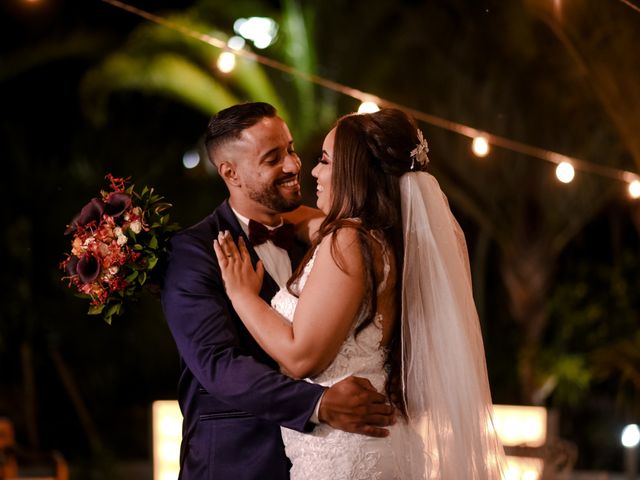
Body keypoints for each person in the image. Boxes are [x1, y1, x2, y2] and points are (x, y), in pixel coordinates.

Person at [214, 108, 506, 479]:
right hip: (371, 444)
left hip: (346, 455)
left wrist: (242, 296)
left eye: (324, 160)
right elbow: (309, 222)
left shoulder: (349, 239)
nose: (313, 172)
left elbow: (301, 357)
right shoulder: (390, 238)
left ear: (354, 171)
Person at [161, 102, 396, 480]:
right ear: (231, 173)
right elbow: (218, 366)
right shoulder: (194, 252)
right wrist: (318, 404)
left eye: (290, 149)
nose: (293, 165)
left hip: (332, 455)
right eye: (273, 158)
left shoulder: (327, 237)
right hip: (238, 463)